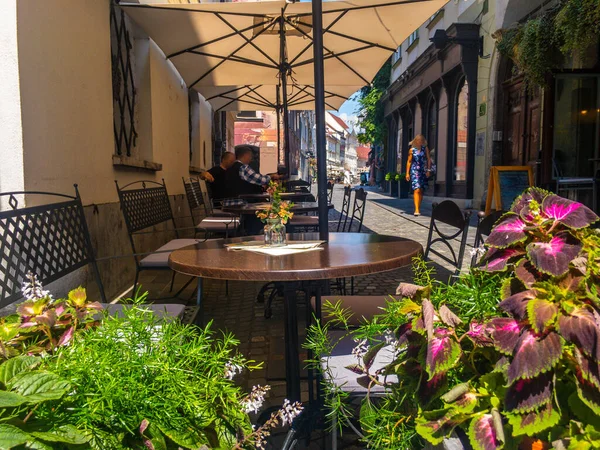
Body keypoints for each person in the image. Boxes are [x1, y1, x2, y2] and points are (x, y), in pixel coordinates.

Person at [405, 134, 432, 217]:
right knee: (416, 189)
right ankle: (416, 209)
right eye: (418, 140)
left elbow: (428, 159)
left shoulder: (425, 149)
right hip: (415, 170)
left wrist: (428, 170)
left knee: (421, 190)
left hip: (423, 170)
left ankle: (418, 206)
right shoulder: (412, 150)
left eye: (421, 140)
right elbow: (409, 161)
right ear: (415, 141)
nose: (419, 142)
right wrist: (407, 173)